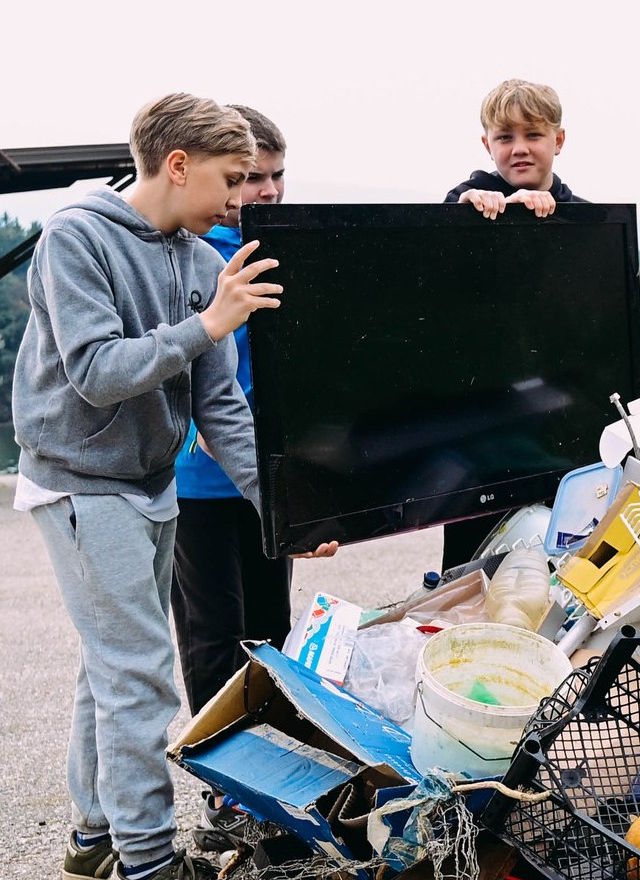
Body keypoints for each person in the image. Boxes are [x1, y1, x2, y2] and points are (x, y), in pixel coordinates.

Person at [11, 93, 334, 880]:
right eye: (230, 180)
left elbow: (221, 406)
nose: (238, 199)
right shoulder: (75, 238)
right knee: (140, 675)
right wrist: (207, 325)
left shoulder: (197, 261)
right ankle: (149, 862)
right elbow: (93, 374)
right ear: (178, 164)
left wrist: (281, 511)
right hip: (83, 483)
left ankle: (93, 837)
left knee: (110, 665)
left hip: (152, 483)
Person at [440, 79, 640, 569]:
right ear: (487, 145)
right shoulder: (466, 207)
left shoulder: (591, 226)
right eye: (505, 137)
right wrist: (480, 211)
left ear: (559, 141)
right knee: (472, 576)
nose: (520, 148)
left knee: (569, 569)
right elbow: (437, 282)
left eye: (533, 135)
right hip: (484, 444)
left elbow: (606, 321)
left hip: (566, 438)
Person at [168, 104, 291, 853]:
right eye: (251, 177)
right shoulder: (193, 254)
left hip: (265, 482)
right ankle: (225, 790)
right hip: (199, 484)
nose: (267, 189)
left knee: (271, 636)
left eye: (278, 175)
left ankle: (274, 780)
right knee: (215, 643)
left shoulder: (275, 246)